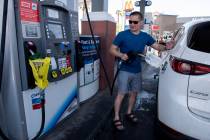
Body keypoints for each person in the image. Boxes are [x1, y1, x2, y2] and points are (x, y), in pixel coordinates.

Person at [109, 11, 173, 131]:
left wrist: (166, 47)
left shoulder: (145, 36)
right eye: (130, 22)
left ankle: (128, 112)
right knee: (121, 94)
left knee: (134, 93)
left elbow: (157, 46)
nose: (132, 24)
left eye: (135, 22)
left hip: (137, 70)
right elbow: (111, 49)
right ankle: (116, 117)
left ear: (141, 23)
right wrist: (121, 54)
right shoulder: (122, 35)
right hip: (124, 70)